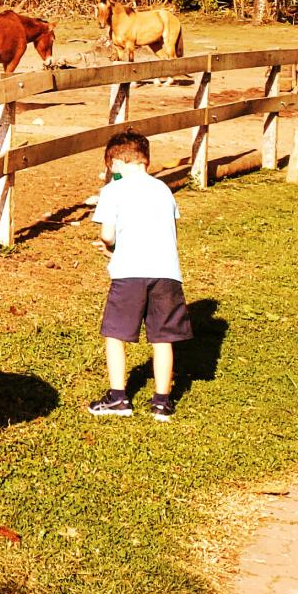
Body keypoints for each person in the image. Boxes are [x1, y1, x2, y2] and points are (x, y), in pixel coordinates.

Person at [86, 131, 190, 420]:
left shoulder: (113, 191)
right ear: (146, 160)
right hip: (166, 272)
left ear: (116, 163)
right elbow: (170, 232)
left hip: (130, 270)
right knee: (162, 337)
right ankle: (162, 402)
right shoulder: (163, 190)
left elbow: (107, 235)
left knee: (115, 333)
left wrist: (112, 248)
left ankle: (118, 398)